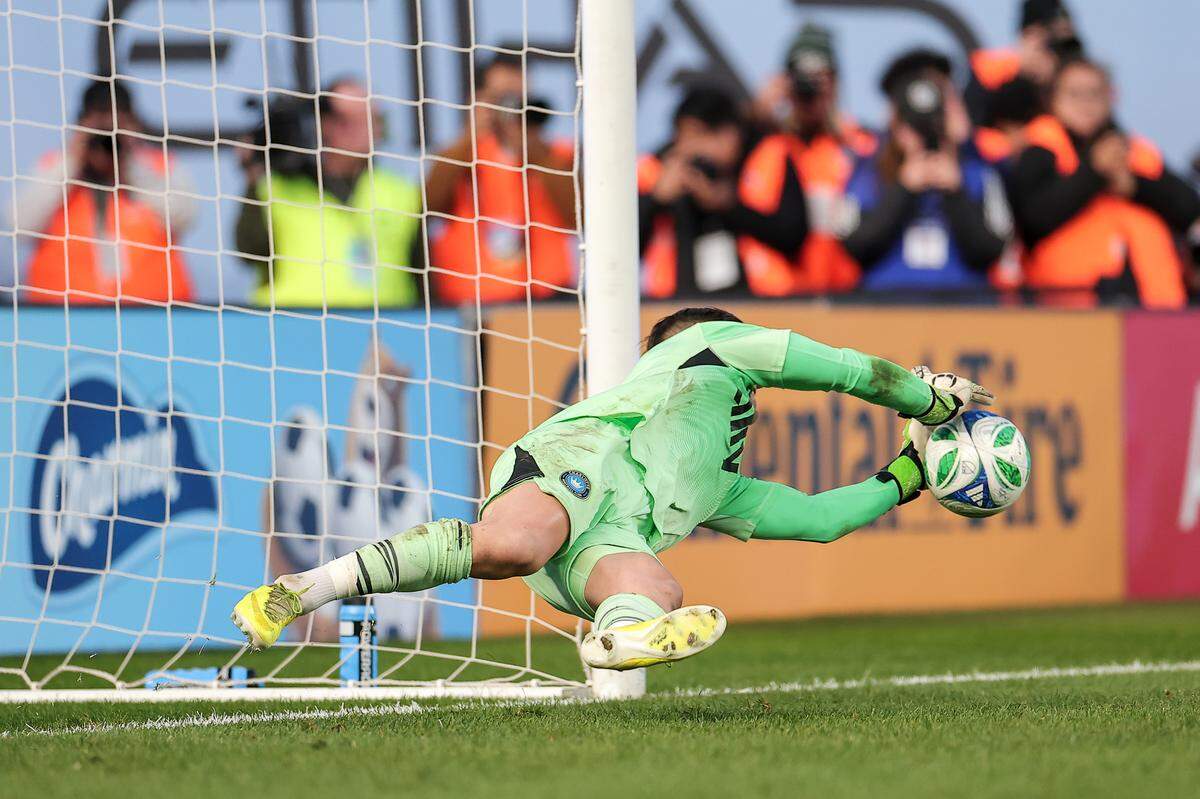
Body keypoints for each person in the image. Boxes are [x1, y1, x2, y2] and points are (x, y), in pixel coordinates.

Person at [233, 306, 994, 670]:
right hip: (574, 463)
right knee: (517, 543)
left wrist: (908, 475)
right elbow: (833, 367)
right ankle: (301, 588)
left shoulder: (716, 488)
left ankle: (623, 632)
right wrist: (922, 399)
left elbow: (821, 519)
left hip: (597, 547)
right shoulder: (703, 346)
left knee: (657, 582)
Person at [1008, 59, 1200, 308]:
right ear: (1052, 98)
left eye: (1095, 93)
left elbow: (1189, 209)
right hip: (1069, 308)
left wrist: (1134, 186)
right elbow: (1032, 218)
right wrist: (1093, 173)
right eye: (1075, 93)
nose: (1085, 103)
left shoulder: (1134, 150)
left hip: (1154, 307)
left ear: (1111, 97)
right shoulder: (1040, 147)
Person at [235, 77, 422, 308]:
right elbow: (248, 251)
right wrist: (254, 171)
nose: (367, 131)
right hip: (295, 330)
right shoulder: (275, 186)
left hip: (386, 331)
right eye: (348, 121)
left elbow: (423, 271)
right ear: (323, 124)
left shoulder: (401, 191)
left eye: (372, 120)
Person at [836, 50, 1013, 294]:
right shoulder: (869, 171)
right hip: (885, 310)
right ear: (896, 122)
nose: (924, 134)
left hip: (964, 313)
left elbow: (991, 250)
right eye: (913, 124)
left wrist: (955, 192)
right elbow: (855, 245)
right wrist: (904, 188)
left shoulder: (977, 172)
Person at [12, 78, 198, 304]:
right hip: (62, 319)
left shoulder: (158, 168)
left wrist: (129, 163)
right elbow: (19, 224)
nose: (106, 140)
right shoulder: (56, 168)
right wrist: (72, 162)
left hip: (153, 317)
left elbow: (184, 216)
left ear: (135, 125)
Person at [424, 52, 576, 305]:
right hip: (475, 305)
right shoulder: (460, 155)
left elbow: (577, 217)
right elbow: (430, 205)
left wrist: (533, 148)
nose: (512, 108)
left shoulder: (555, 155)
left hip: (547, 300)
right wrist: (472, 133)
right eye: (502, 99)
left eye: (520, 99)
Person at [740, 23, 874, 295]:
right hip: (772, 299)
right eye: (802, 79)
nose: (810, 91)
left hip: (841, 298)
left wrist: (838, 125)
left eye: (821, 79)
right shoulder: (764, 144)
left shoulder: (859, 146)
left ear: (835, 83)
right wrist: (754, 120)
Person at [639, 87, 807, 299]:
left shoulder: (767, 155)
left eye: (701, 136)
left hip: (758, 305)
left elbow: (793, 234)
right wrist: (656, 200)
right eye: (684, 137)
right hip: (674, 307)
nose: (691, 149)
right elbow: (620, 254)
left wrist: (729, 206)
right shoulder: (658, 170)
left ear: (730, 134)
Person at [965, 0, 1083, 163]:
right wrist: (1025, 73)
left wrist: (1055, 81)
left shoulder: (1076, 73)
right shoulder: (992, 69)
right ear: (1028, 35)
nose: (1055, 51)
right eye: (1050, 41)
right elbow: (971, 125)